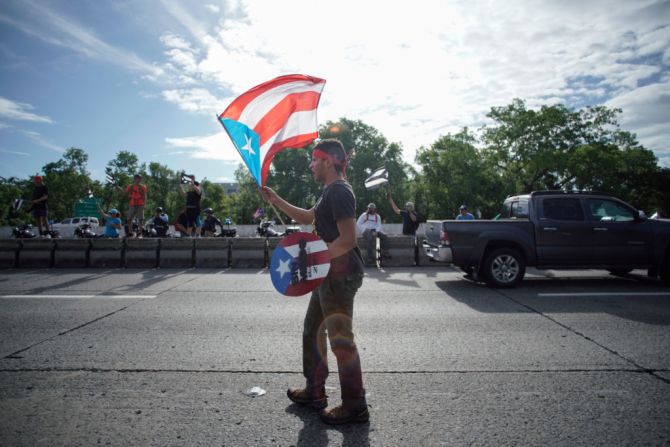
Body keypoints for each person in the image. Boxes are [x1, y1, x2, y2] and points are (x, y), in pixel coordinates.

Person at [260, 139, 368, 425]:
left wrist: (315, 259)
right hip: (327, 272)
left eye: (314, 159)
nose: (310, 165)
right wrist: (276, 199)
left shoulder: (341, 191)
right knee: (312, 331)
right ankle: (314, 392)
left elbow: (348, 239)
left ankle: (355, 405)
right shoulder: (328, 192)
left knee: (340, 340)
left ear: (329, 161)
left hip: (341, 274)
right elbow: (309, 218)